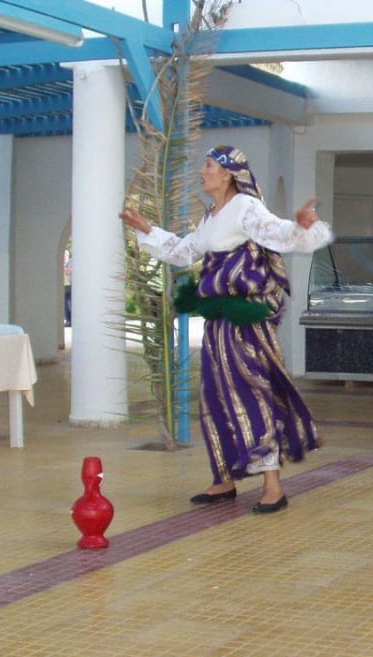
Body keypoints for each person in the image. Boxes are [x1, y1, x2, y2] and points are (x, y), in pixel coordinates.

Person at [119, 145, 334, 514]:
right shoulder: (213, 215)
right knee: (215, 396)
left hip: (245, 322)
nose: (202, 172)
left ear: (228, 173)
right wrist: (148, 231)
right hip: (219, 323)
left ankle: (272, 483)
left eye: (208, 166)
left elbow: (276, 232)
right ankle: (223, 476)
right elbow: (187, 251)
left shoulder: (246, 208)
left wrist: (300, 225)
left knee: (252, 391)